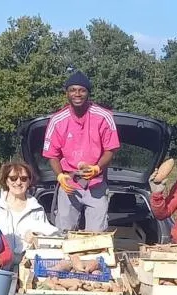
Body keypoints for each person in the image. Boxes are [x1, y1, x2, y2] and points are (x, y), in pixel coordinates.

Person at [42, 70, 120, 232]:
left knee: (96, 235)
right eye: (73, 90)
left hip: (96, 184)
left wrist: (97, 168)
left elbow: (110, 149)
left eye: (82, 90)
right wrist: (59, 175)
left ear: (88, 93)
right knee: (63, 231)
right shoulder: (57, 120)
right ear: (67, 93)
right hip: (69, 184)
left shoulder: (104, 116)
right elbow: (52, 155)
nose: (77, 94)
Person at [0, 161, 58, 268]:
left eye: (24, 178)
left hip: (27, 265)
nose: (18, 182)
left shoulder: (36, 208)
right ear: (6, 181)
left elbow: (51, 235)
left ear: (29, 182)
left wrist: (37, 236)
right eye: (13, 178)